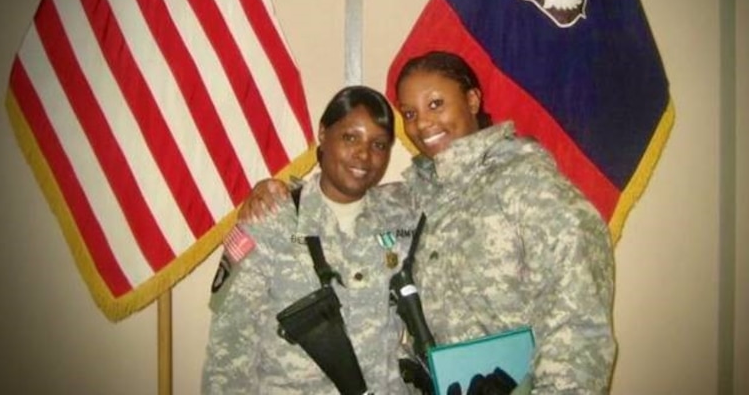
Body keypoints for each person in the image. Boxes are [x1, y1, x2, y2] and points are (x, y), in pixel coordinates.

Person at [244, 51, 617, 394]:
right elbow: (349, 198)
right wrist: (282, 194)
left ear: (472, 100)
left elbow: (580, 326)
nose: (422, 124)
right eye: (409, 113)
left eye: (436, 104)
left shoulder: (529, 183)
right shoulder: (420, 193)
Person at [201, 85, 421, 394]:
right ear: (323, 133)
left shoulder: (402, 213)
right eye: (350, 137)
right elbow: (229, 352)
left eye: (379, 145)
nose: (364, 154)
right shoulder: (269, 221)